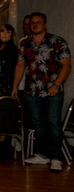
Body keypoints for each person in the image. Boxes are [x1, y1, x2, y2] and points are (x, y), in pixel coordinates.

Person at [12, 12, 70, 173]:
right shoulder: (25, 44)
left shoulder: (57, 42)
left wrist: (57, 85)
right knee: (38, 124)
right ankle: (43, 155)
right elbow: (20, 65)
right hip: (31, 90)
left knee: (53, 123)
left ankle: (56, 158)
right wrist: (15, 86)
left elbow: (66, 66)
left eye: (38, 22)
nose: (35, 25)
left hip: (53, 90)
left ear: (45, 25)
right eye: (32, 23)